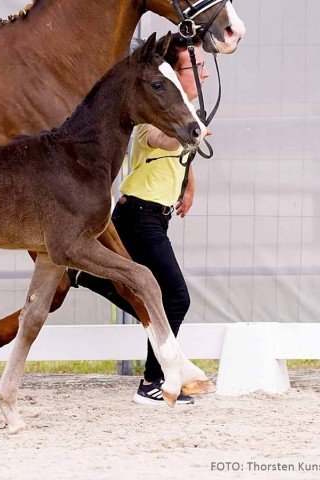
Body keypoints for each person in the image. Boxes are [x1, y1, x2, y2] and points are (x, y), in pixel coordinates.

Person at [70, 32, 210, 406]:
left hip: (156, 215)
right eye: (195, 68)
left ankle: (83, 274)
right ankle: (154, 381)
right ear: (174, 77)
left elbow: (180, 159)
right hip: (138, 214)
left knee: (150, 295)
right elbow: (160, 142)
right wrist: (191, 130)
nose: (204, 75)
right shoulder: (154, 115)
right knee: (175, 298)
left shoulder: (182, 115)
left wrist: (189, 186)